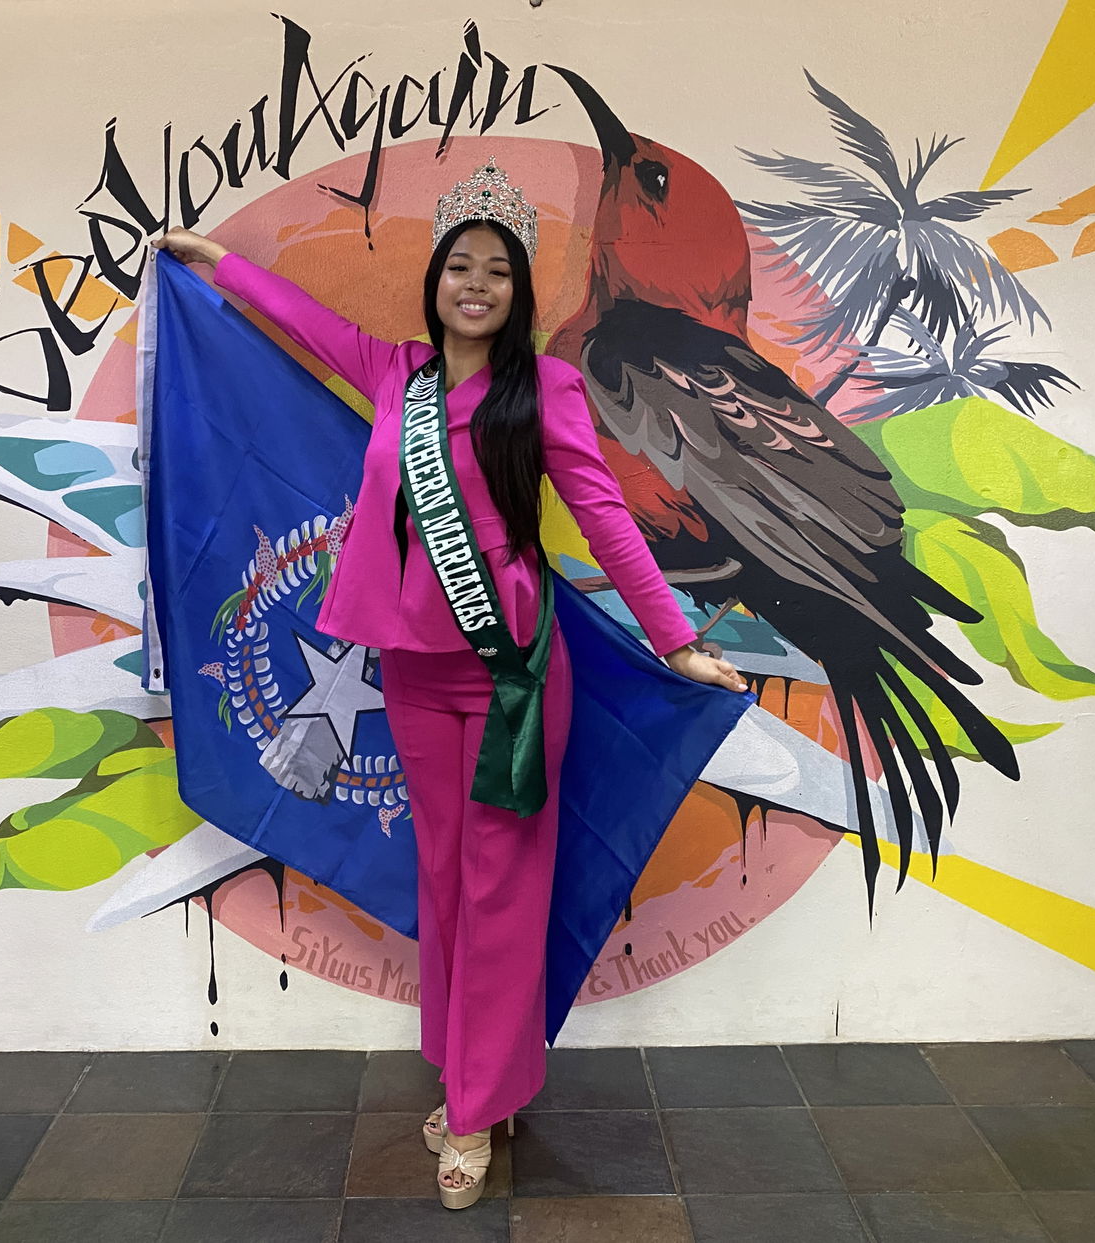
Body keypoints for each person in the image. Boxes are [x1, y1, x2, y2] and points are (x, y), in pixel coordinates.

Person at [154, 158, 746, 1210]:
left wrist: (674, 639)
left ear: (518, 296)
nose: (475, 284)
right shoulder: (396, 378)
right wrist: (216, 265)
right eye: (459, 267)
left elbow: (605, 518)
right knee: (444, 885)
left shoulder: (545, 390)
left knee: (503, 891)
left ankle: (471, 1111)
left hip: (512, 679)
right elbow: (299, 320)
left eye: (497, 273)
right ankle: (484, 1077)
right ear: (436, 284)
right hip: (414, 679)